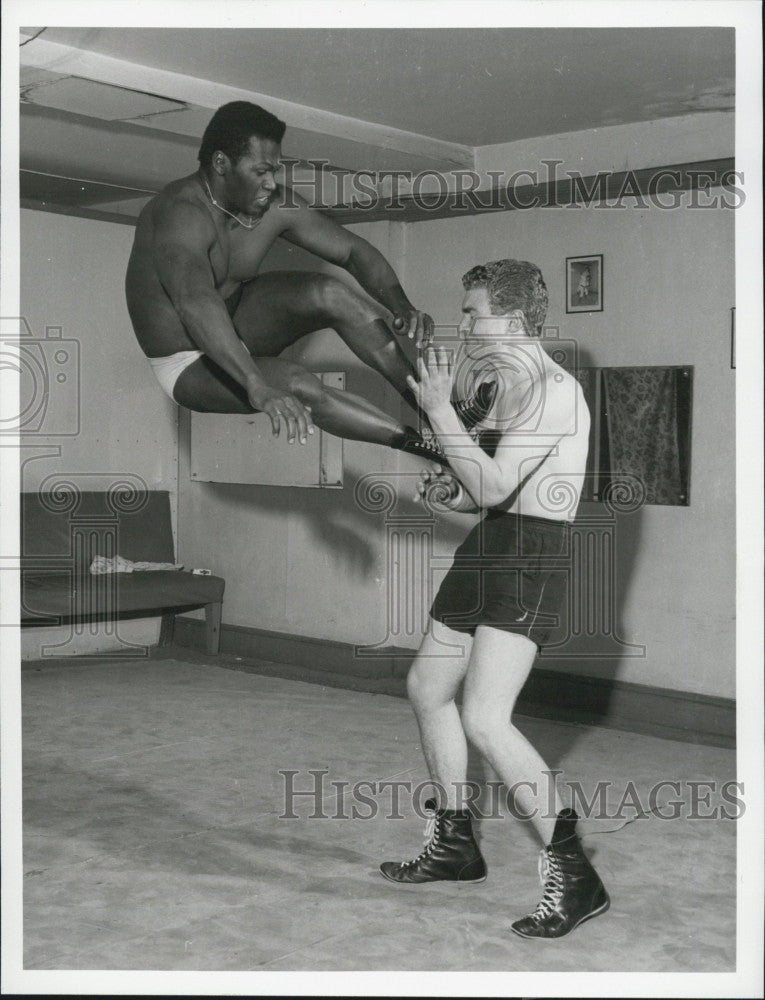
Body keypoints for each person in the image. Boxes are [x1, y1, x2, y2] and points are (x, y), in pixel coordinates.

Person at [379, 259, 610, 939]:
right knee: (427, 686)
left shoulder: (552, 389)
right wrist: (448, 486)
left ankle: (576, 876)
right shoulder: (504, 385)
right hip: (492, 543)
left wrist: (436, 413)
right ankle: (454, 842)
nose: (464, 323)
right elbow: (481, 485)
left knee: (485, 717)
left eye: (473, 311)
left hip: (531, 554)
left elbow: (492, 484)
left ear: (511, 319)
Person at [125, 101, 445, 460]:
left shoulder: (272, 205)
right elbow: (194, 300)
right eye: (260, 171)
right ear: (220, 164)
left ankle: (437, 412)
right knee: (298, 384)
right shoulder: (180, 213)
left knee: (331, 293)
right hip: (186, 361)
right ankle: (432, 450)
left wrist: (401, 305)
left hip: (239, 321)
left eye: (275, 170)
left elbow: (353, 252)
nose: (271, 183)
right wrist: (254, 383)